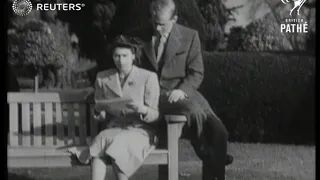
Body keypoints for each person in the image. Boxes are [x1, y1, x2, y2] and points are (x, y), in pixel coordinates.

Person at [139, 0, 230, 179]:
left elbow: (197, 72)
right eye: (154, 23)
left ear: (175, 19)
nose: (157, 29)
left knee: (220, 132)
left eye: (162, 25)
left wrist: (182, 90)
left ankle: (215, 166)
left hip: (184, 93)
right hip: (155, 95)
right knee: (192, 109)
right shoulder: (140, 37)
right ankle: (207, 153)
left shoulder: (190, 36)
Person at [68, 35, 160, 180]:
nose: (120, 60)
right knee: (102, 139)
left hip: (141, 131)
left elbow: (155, 114)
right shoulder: (103, 77)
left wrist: (142, 109)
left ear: (133, 56)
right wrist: (98, 111)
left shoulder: (148, 77)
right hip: (114, 128)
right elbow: (101, 115)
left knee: (119, 143)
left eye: (124, 56)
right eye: (117, 56)